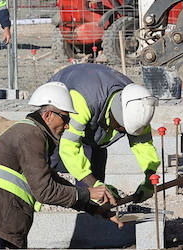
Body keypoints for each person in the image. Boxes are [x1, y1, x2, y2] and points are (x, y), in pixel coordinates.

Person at [0, 81, 118, 250]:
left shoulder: (31, 135)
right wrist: (89, 192)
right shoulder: (30, 135)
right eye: (65, 118)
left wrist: (94, 208)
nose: (67, 125)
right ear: (48, 115)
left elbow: (52, 180)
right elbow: (45, 190)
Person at [48, 63, 160, 205]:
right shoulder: (83, 102)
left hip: (96, 106)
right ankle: (37, 197)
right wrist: (95, 185)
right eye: (121, 127)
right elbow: (69, 148)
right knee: (50, 158)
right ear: (114, 114)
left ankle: (93, 209)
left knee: (97, 152)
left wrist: (150, 179)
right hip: (61, 93)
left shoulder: (137, 104)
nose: (123, 132)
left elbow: (143, 144)